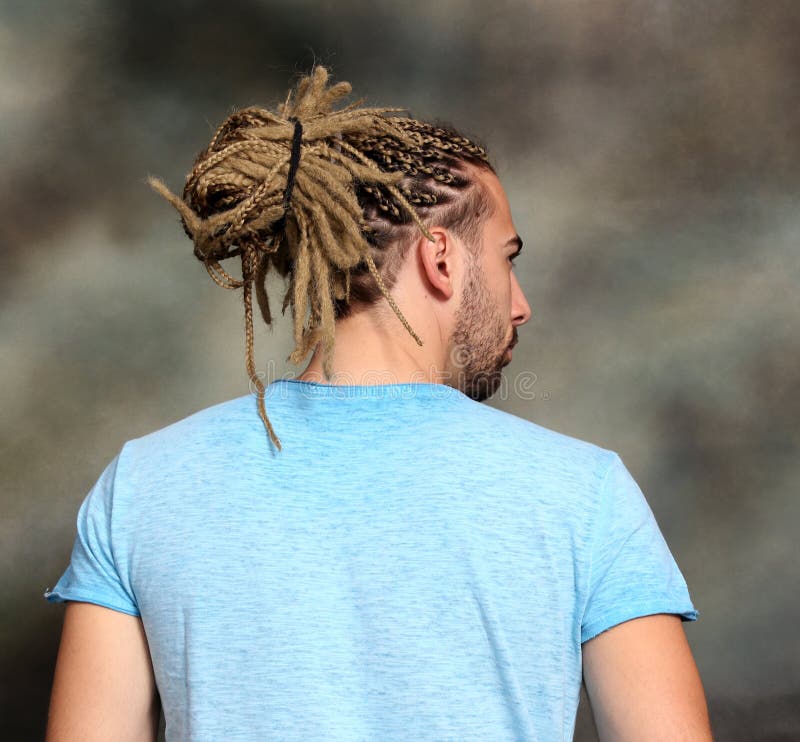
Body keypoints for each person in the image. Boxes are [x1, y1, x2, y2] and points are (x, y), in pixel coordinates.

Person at [43, 66, 713, 741]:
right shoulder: (585, 495)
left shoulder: (143, 487)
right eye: (508, 259)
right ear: (440, 258)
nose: (521, 305)